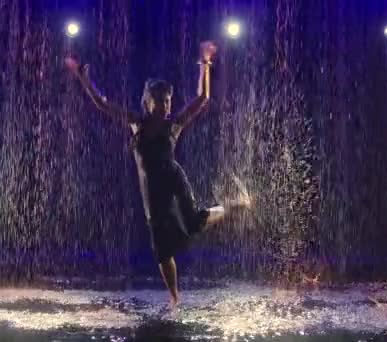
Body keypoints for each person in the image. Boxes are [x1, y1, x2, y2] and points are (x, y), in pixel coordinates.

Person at [64, 41, 251, 307]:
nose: (164, 106)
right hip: (151, 189)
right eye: (158, 102)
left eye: (167, 101)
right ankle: (175, 297)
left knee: (195, 222)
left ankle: (233, 206)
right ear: (147, 102)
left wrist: (205, 65)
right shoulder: (136, 123)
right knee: (162, 251)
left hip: (174, 179)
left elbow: (202, 100)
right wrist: (83, 78)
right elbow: (102, 105)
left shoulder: (173, 125)